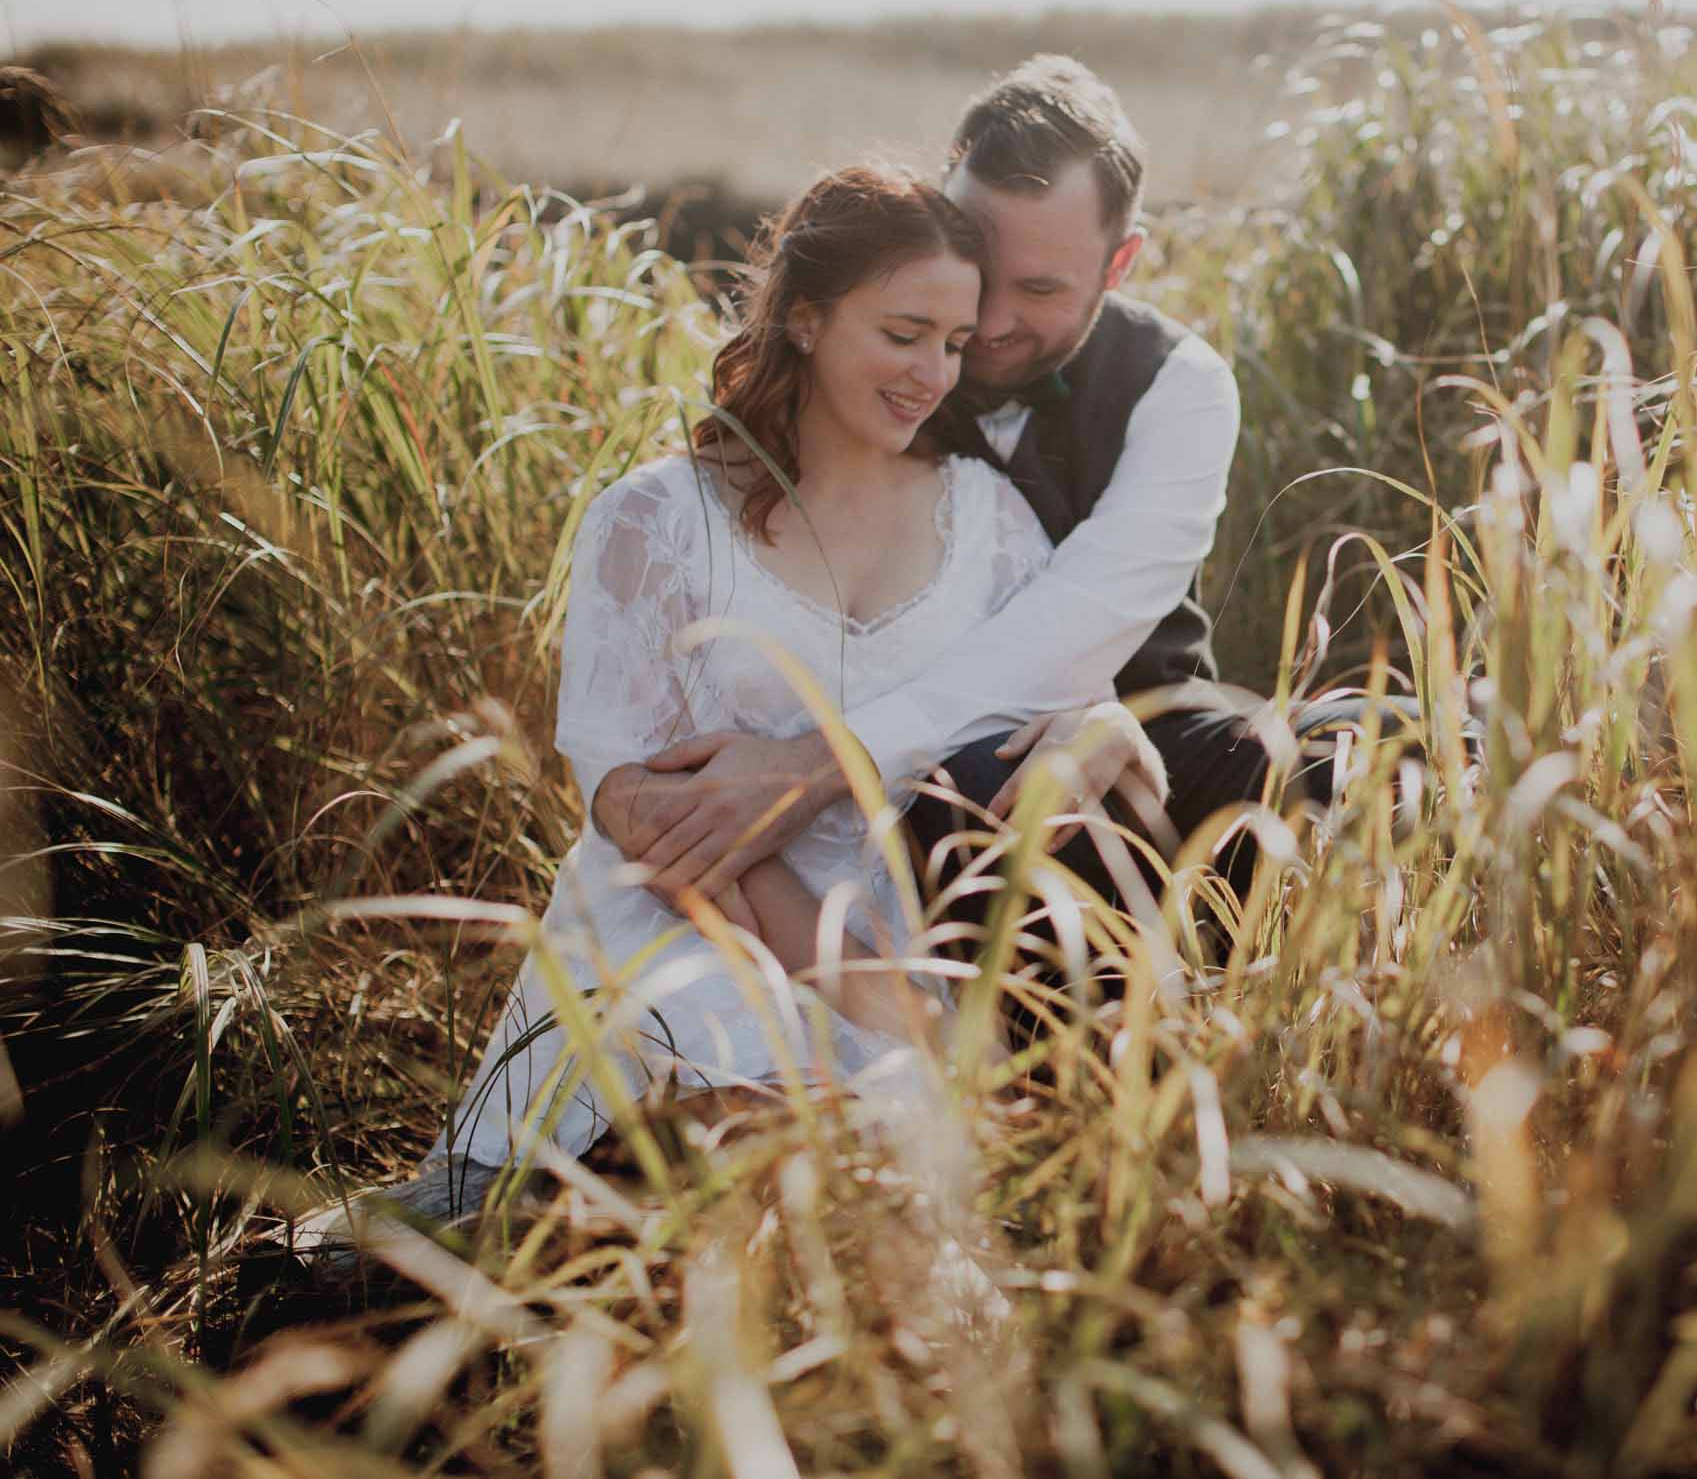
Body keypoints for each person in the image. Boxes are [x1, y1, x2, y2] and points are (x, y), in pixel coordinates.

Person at [411, 163, 1157, 1194]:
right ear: (805, 319)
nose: (932, 376)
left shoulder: (989, 523)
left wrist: (1095, 728)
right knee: (750, 1094)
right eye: (901, 335)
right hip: (685, 922)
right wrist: (864, 992)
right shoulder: (658, 518)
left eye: (952, 343)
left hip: (904, 935)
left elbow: (1077, 696)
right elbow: (640, 807)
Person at [593, 56, 1300, 942]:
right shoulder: (876, 365)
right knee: (973, 794)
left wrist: (821, 765)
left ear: (1120, 262)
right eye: (978, 264)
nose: (988, 322)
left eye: (1039, 288)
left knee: (1333, 753)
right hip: (951, 788)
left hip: (1138, 734)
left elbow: (1083, 620)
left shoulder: (1182, 387)